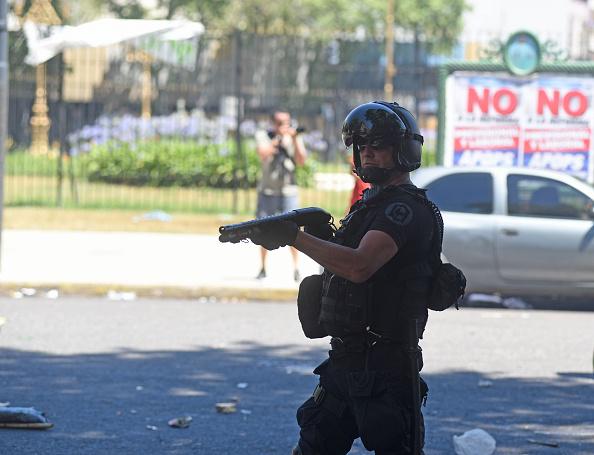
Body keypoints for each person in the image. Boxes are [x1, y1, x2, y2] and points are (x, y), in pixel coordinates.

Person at [248, 101, 437, 454]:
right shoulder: (371, 204)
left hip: (387, 366)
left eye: (377, 146)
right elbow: (348, 258)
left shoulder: (403, 210)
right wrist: (320, 233)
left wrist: (295, 238)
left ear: (403, 149)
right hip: (345, 361)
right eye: (361, 147)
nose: (367, 155)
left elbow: (359, 266)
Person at [254, 109, 308, 282]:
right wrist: (278, 139)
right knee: (263, 228)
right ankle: (263, 267)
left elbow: (301, 160)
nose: (283, 126)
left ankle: (296, 268)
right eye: (279, 123)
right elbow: (262, 153)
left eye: (286, 122)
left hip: (288, 191)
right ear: (273, 123)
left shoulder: (294, 138)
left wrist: (293, 139)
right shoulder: (264, 136)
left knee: (293, 229)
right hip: (268, 190)